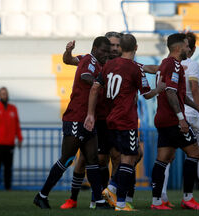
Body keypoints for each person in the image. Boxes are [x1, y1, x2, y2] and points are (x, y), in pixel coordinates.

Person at [84, 33, 165, 211]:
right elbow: (146, 94)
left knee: (126, 156)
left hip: (110, 119)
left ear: (120, 48)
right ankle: (120, 202)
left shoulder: (109, 65)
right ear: (136, 48)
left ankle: (111, 189)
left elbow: (96, 86)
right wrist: (159, 88)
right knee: (129, 159)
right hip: (126, 120)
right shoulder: (135, 68)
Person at [33, 36, 111, 209]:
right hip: (76, 117)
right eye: (104, 51)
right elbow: (85, 76)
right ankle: (41, 195)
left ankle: (98, 201)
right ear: (95, 48)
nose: (106, 54)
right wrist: (103, 84)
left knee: (92, 159)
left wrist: (68, 52)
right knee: (67, 159)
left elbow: (68, 60)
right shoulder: (89, 61)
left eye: (108, 51)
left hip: (89, 119)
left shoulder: (92, 61)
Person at [160, 32, 199, 207]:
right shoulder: (192, 64)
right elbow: (194, 89)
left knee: (166, 157)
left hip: (173, 114)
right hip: (188, 114)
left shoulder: (165, 62)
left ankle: (162, 197)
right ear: (192, 48)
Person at [60, 32, 123, 210]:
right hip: (95, 116)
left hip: (111, 117)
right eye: (111, 45)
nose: (113, 49)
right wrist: (67, 51)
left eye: (116, 45)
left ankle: (108, 196)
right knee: (86, 160)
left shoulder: (119, 64)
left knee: (116, 156)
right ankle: (74, 198)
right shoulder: (91, 60)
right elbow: (68, 60)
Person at [150, 33, 199, 211]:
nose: (188, 49)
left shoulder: (165, 64)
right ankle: (188, 198)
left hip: (162, 118)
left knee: (162, 159)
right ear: (178, 48)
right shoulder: (174, 65)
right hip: (172, 119)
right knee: (194, 153)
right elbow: (170, 93)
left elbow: (180, 94)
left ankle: (156, 202)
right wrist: (181, 118)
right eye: (186, 46)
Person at [0, 87, 23, 190]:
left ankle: (8, 188)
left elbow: (17, 125)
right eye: (2, 94)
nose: (5, 95)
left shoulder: (13, 108)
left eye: (6, 93)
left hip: (10, 143)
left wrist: (19, 138)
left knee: (8, 167)